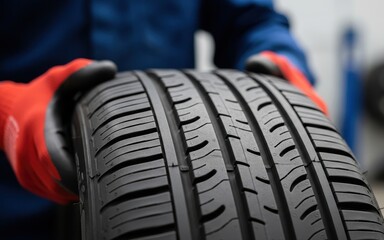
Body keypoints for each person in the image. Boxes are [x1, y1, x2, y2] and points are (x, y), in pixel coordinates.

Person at [0, 1, 327, 239]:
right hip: (15, 205)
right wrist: (7, 111)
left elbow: (252, 20)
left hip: (170, 201)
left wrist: (282, 69)